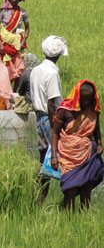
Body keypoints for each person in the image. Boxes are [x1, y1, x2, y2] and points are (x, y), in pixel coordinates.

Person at [51, 80, 104, 210]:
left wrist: (99, 143)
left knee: (86, 187)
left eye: (89, 99)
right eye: (83, 99)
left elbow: (96, 129)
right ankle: (68, 218)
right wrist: (53, 155)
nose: (86, 103)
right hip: (68, 153)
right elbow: (55, 133)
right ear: (77, 97)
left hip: (87, 153)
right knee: (70, 188)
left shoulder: (93, 109)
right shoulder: (64, 110)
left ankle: (84, 217)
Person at [30, 35, 67, 203]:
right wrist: (59, 127)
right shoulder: (52, 73)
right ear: (58, 55)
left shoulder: (36, 70)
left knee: (42, 159)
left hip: (39, 117)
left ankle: (39, 198)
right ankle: (67, 198)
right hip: (49, 119)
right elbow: (52, 103)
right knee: (57, 158)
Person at [0, 0, 29, 85]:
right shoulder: (3, 11)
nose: (14, 0)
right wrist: (0, 44)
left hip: (17, 43)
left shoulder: (23, 12)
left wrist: (24, 40)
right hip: (5, 43)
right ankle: (4, 87)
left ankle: (14, 91)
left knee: (18, 67)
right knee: (5, 66)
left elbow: (27, 28)